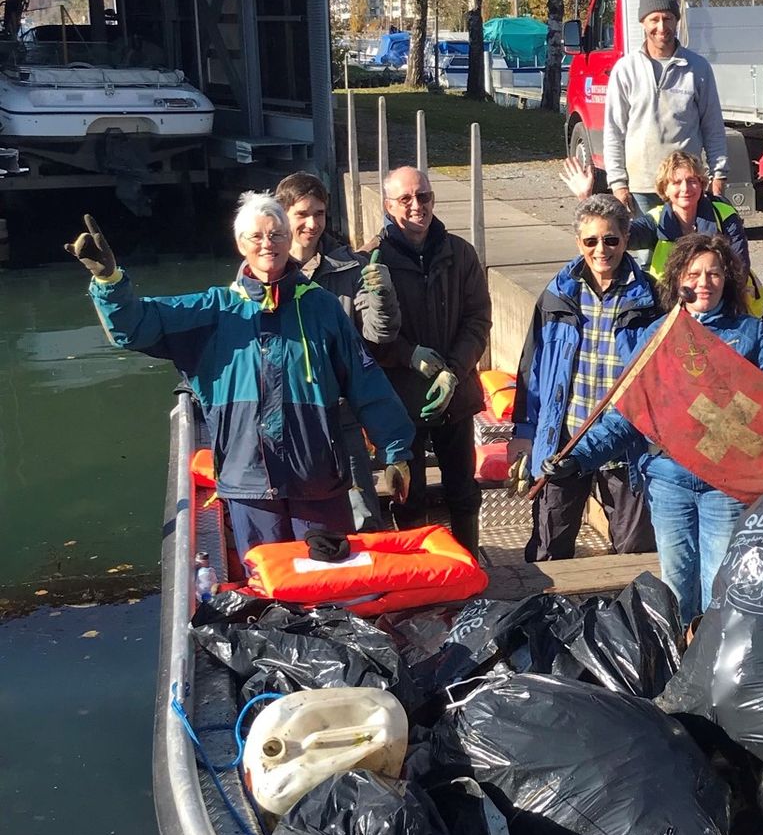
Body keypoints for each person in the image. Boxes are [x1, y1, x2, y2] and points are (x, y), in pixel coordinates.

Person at [68, 195, 415, 562]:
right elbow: (134, 326)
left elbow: (366, 381)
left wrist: (397, 452)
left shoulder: (321, 307)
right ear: (240, 244)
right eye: (257, 237)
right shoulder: (213, 310)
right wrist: (109, 279)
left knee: (326, 582)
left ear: (288, 240)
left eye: (277, 235)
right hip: (247, 483)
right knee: (266, 585)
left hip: (317, 483)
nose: (268, 244)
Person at [541, 233, 763, 623]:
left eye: (715, 274)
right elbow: (628, 414)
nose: (704, 282)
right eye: (694, 273)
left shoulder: (750, 334)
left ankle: (709, 670)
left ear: (728, 280)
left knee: (720, 587)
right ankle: (681, 665)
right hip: (669, 482)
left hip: (727, 483)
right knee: (676, 588)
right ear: (678, 281)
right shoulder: (658, 337)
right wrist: (578, 458)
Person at [510, 194, 660, 561]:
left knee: (635, 555)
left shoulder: (653, 298)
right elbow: (533, 368)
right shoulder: (557, 295)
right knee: (549, 549)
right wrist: (525, 433)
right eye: (591, 241)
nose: (601, 250)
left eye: (610, 239)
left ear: (626, 239)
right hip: (564, 440)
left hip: (627, 445)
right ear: (578, 242)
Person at [364, 166, 492, 557]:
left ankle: (468, 562)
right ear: (388, 205)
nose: (417, 206)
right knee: (408, 493)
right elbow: (368, 333)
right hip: (400, 400)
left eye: (424, 196)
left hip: (454, 394)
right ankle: (417, 568)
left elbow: (478, 319)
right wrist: (408, 355)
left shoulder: (461, 253)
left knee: (463, 489)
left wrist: (453, 370)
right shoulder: (372, 260)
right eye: (405, 199)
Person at [276, 171, 401, 531]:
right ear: (283, 215)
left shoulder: (350, 267)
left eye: (319, 213)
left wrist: (383, 296)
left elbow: (380, 334)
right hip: (288, 417)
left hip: (341, 414)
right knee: (299, 521)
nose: (312, 224)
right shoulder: (265, 270)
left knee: (362, 515)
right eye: (302, 214)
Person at [560, 150, 762, 314]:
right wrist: (586, 200)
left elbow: (739, 267)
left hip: (720, 304)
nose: (685, 188)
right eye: (676, 182)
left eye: (692, 181)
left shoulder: (724, 214)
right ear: (664, 189)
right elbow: (617, 236)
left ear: (702, 184)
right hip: (669, 309)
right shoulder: (655, 220)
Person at [602, 0, 727, 215]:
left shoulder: (697, 68)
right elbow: (614, 131)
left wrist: (718, 175)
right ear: (643, 22)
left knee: (688, 250)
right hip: (641, 189)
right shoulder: (626, 70)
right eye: (654, 19)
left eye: (668, 18)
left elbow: (713, 128)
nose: (661, 26)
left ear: (677, 21)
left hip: (685, 187)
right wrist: (618, 183)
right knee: (644, 250)